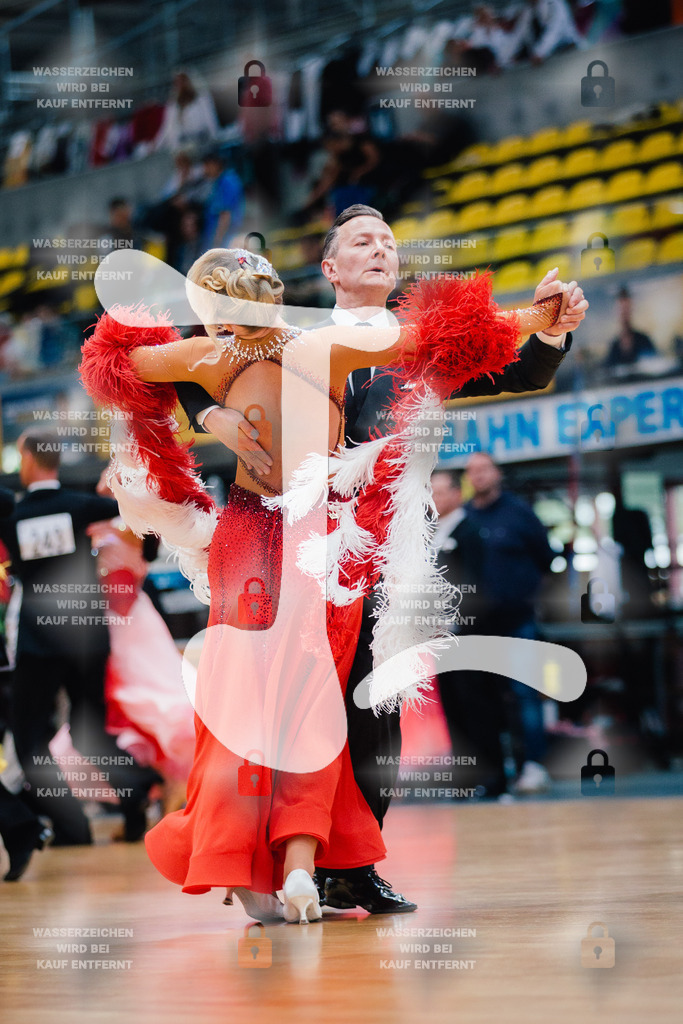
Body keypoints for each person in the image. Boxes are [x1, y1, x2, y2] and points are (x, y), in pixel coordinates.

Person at [80, 243, 572, 923]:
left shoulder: (207, 357)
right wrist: (533, 311)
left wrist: (211, 403)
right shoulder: (324, 346)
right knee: (311, 699)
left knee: (239, 702)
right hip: (316, 541)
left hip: (247, 536)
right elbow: (433, 335)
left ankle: (241, 856)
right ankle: (300, 863)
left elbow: (118, 363)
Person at [0, 433, 161, 846]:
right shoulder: (79, 506)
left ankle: (71, 826)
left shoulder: (15, 516)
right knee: (90, 732)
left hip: (40, 643)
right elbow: (140, 516)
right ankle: (139, 789)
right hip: (88, 635)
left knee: (29, 736)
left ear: (29, 459)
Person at [451, 452, 556, 796]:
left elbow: (546, 559)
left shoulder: (520, 514)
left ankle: (533, 766)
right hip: (477, 627)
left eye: (484, 470)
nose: (478, 476)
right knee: (484, 701)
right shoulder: (462, 519)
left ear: (497, 473)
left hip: (517, 620)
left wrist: (526, 596)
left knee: (524, 693)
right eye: (472, 472)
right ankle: (496, 773)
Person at [199, 149, 245, 249]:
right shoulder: (217, 183)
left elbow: (225, 215)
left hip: (227, 240)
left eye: (206, 165)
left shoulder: (228, 181)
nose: (205, 169)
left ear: (215, 164)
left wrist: (217, 242)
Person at [603, 286, 657, 370]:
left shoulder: (644, 340)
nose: (624, 314)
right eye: (621, 310)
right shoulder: (614, 346)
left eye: (627, 309)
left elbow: (654, 364)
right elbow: (607, 369)